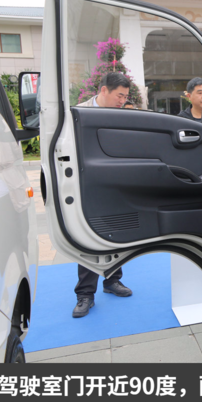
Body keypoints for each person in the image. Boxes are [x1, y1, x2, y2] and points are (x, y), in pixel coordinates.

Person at [73, 72, 133, 318]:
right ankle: (85, 294)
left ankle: (112, 280)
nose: (122, 101)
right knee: (88, 238)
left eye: (125, 97)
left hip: (115, 184)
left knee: (116, 234)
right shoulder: (78, 113)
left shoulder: (123, 114)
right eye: (119, 95)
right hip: (87, 185)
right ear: (104, 90)